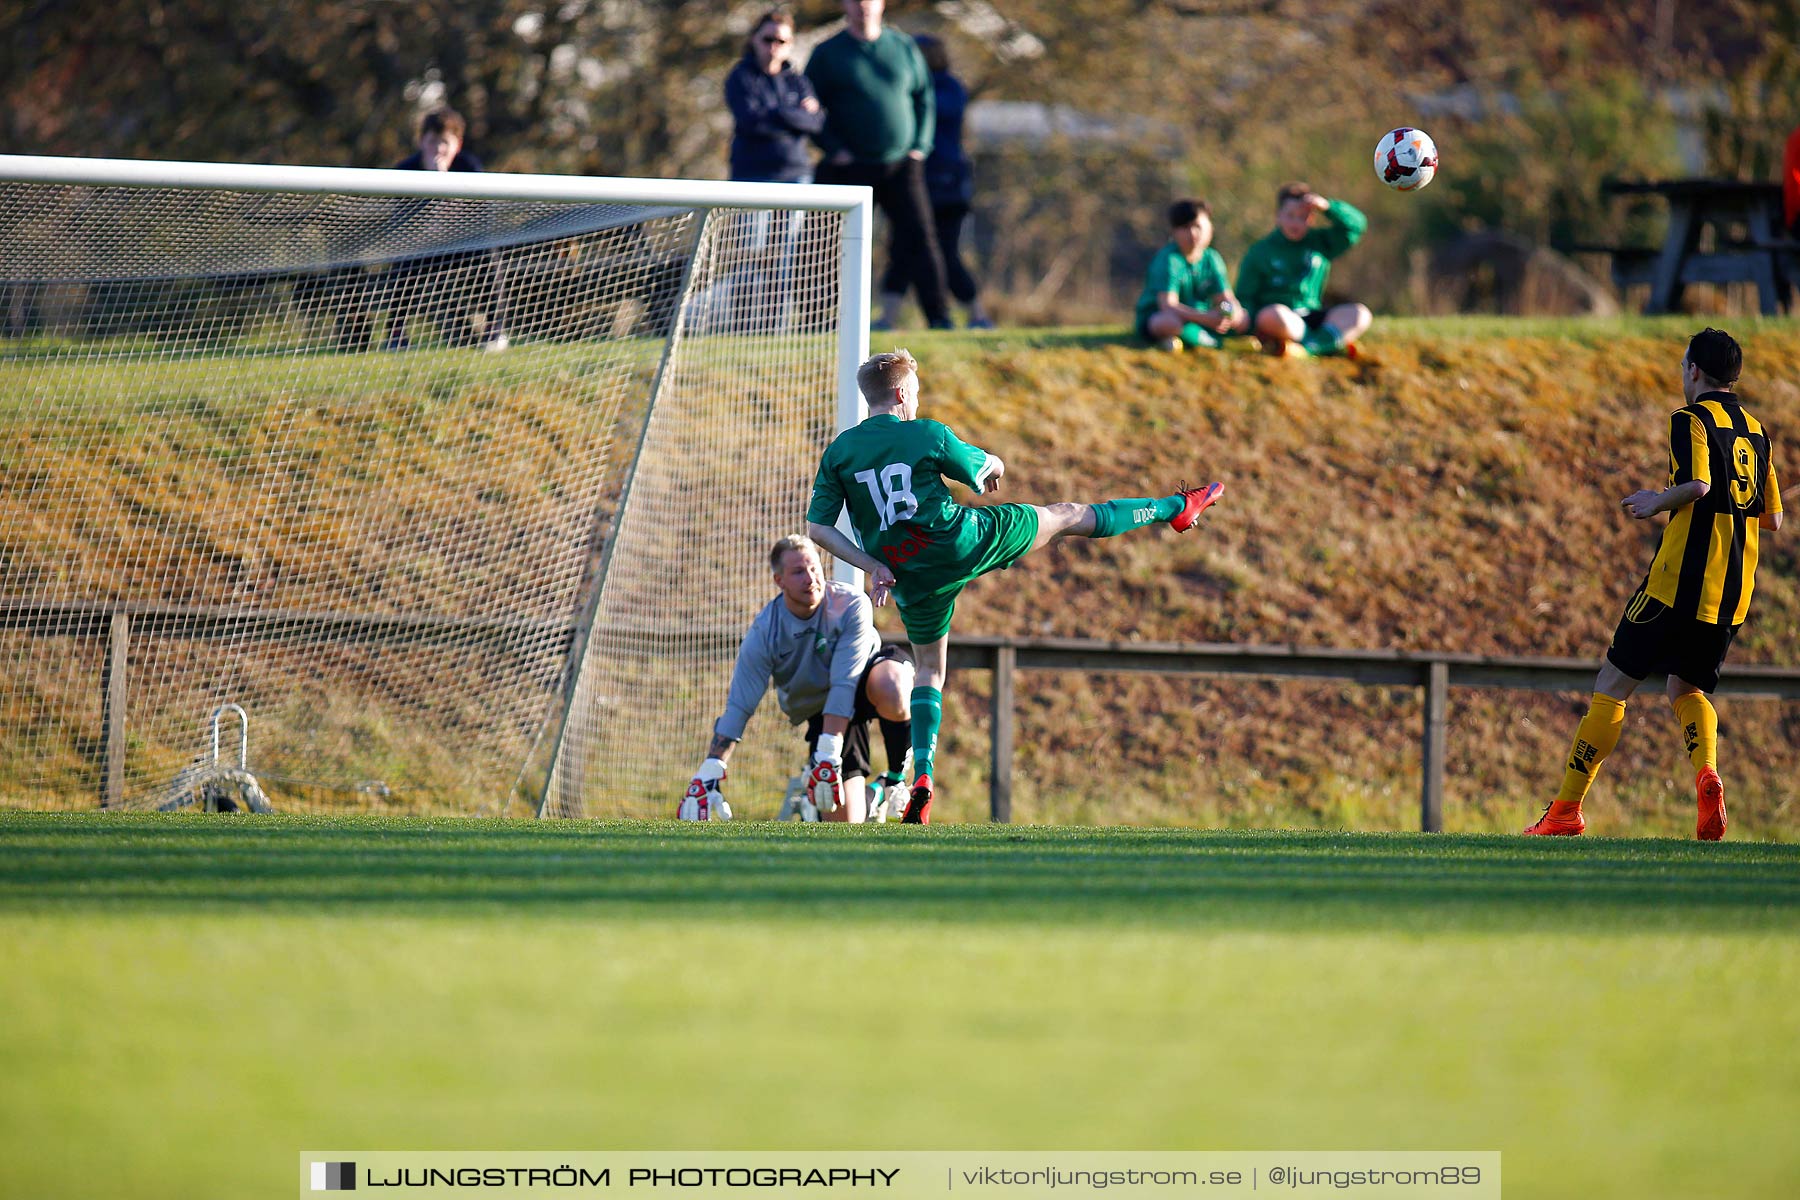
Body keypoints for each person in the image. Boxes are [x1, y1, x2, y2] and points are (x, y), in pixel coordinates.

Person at [805, 350, 1226, 823]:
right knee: (1064, 515)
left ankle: (922, 773)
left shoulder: (840, 451)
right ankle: (1175, 508)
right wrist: (995, 466)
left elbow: (818, 528)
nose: (917, 403)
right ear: (903, 394)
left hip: (907, 572)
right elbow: (988, 468)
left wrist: (871, 565)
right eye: (916, 395)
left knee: (929, 670)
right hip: (960, 542)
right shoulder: (926, 433)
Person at [1526, 328, 1782, 840]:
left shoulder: (1689, 419)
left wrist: (1655, 501)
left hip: (1672, 586)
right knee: (1685, 688)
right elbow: (1772, 518)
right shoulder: (1756, 432)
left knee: (1613, 686)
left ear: (1693, 371)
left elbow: (1699, 484)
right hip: (1728, 596)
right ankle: (1707, 774)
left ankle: (1565, 812)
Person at [684, 534, 915, 824]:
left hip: (865, 680)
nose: (810, 578)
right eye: (798, 572)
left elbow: (846, 681)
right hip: (825, 707)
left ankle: (895, 780)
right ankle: (877, 794)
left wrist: (827, 751)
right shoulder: (765, 631)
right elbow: (739, 706)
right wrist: (711, 768)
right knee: (846, 825)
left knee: (891, 684)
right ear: (779, 581)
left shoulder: (851, 603)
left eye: (814, 568)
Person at [805, 0, 953, 331]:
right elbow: (810, 109)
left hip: (902, 164)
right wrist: (833, 148)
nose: (863, 7)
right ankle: (818, 322)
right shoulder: (828, 53)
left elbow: (924, 98)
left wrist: (920, 146)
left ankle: (940, 317)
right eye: (855, 1)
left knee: (921, 239)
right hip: (847, 167)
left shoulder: (902, 47)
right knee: (826, 244)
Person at [876, 34, 992, 331]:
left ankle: (977, 315)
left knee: (943, 252)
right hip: (915, 184)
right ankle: (888, 317)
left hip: (946, 189)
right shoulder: (914, 89)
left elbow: (931, 111)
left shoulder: (948, 88)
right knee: (902, 250)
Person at [384, 107, 509, 352]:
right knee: (402, 264)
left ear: (458, 144)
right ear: (421, 142)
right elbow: (402, 225)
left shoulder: (470, 167)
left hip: (462, 247)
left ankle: (495, 329)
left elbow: (480, 218)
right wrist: (433, 184)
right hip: (422, 250)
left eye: (445, 142)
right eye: (432, 142)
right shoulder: (404, 171)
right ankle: (397, 333)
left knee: (489, 257)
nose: (439, 149)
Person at [1234, 183, 1369, 358]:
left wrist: (1328, 207)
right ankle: (1330, 342)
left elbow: (1356, 226)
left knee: (1360, 314)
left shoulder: (1320, 242)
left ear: (1311, 218)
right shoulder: (1260, 251)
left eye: (1303, 217)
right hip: (1284, 319)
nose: (1296, 222)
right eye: (1290, 215)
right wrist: (1247, 324)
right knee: (1272, 315)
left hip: (1312, 315)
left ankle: (1308, 349)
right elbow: (1244, 297)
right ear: (1278, 216)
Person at [1134, 198, 1249, 352]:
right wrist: (1206, 318)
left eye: (1197, 226)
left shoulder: (1212, 258)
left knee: (1243, 316)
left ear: (1210, 227)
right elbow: (1168, 305)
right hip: (1166, 316)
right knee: (1169, 323)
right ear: (1174, 232)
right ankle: (1203, 340)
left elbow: (1225, 299)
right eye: (1186, 227)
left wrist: (1228, 313)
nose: (1193, 233)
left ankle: (1189, 339)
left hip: (1202, 318)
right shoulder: (1169, 260)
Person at [726, 9, 823, 184]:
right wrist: (793, 114)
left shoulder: (798, 81)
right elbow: (750, 121)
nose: (774, 46)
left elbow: (815, 122)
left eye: (781, 41)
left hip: (796, 175)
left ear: (790, 43)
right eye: (768, 39)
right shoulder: (741, 77)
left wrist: (773, 114)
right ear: (754, 38)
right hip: (752, 176)